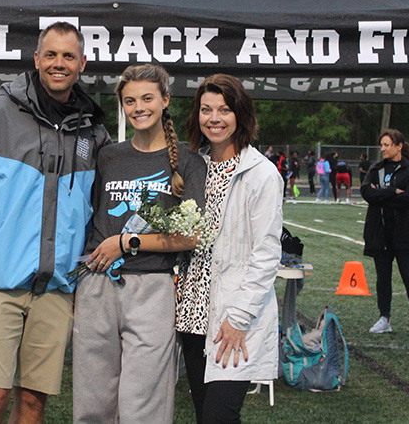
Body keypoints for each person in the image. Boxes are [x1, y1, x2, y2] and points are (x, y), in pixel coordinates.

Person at [0, 22, 110, 424]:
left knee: (32, 403)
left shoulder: (94, 131)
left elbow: (101, 211)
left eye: (67, 56)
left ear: (82, 63)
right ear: (36, 60)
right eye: (51, 54)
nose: (58, 63)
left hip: (57, 288)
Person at [73, 64, 207, 424]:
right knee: (92, 400)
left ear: (165, 100)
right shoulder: (109, 156)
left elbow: (189, 236)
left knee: (143, 402)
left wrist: (127, 242)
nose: (138, 108)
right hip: (97, 284)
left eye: (147, 98)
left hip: (152, 288)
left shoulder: (190, 161)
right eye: (129, 101)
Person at [177, 74, 283, 424]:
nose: (214, 118)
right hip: (191, 315)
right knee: (203, 414)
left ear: (240, 114)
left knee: (219, 417)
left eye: (224, 109)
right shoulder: (191, 167)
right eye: (206, 109)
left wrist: (239, 318)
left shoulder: (261, 174)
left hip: (232, 318)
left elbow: (266, 255)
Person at [361, 129, 409, 337]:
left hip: (405, 233)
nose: (383, 149)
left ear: (398, 146)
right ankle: (384, 318)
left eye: (386, 145)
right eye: (381, 145)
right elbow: (368, 193)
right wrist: (392, 191)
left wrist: (381, 194)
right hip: (380, 232)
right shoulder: (376, 169)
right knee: (383, 277)